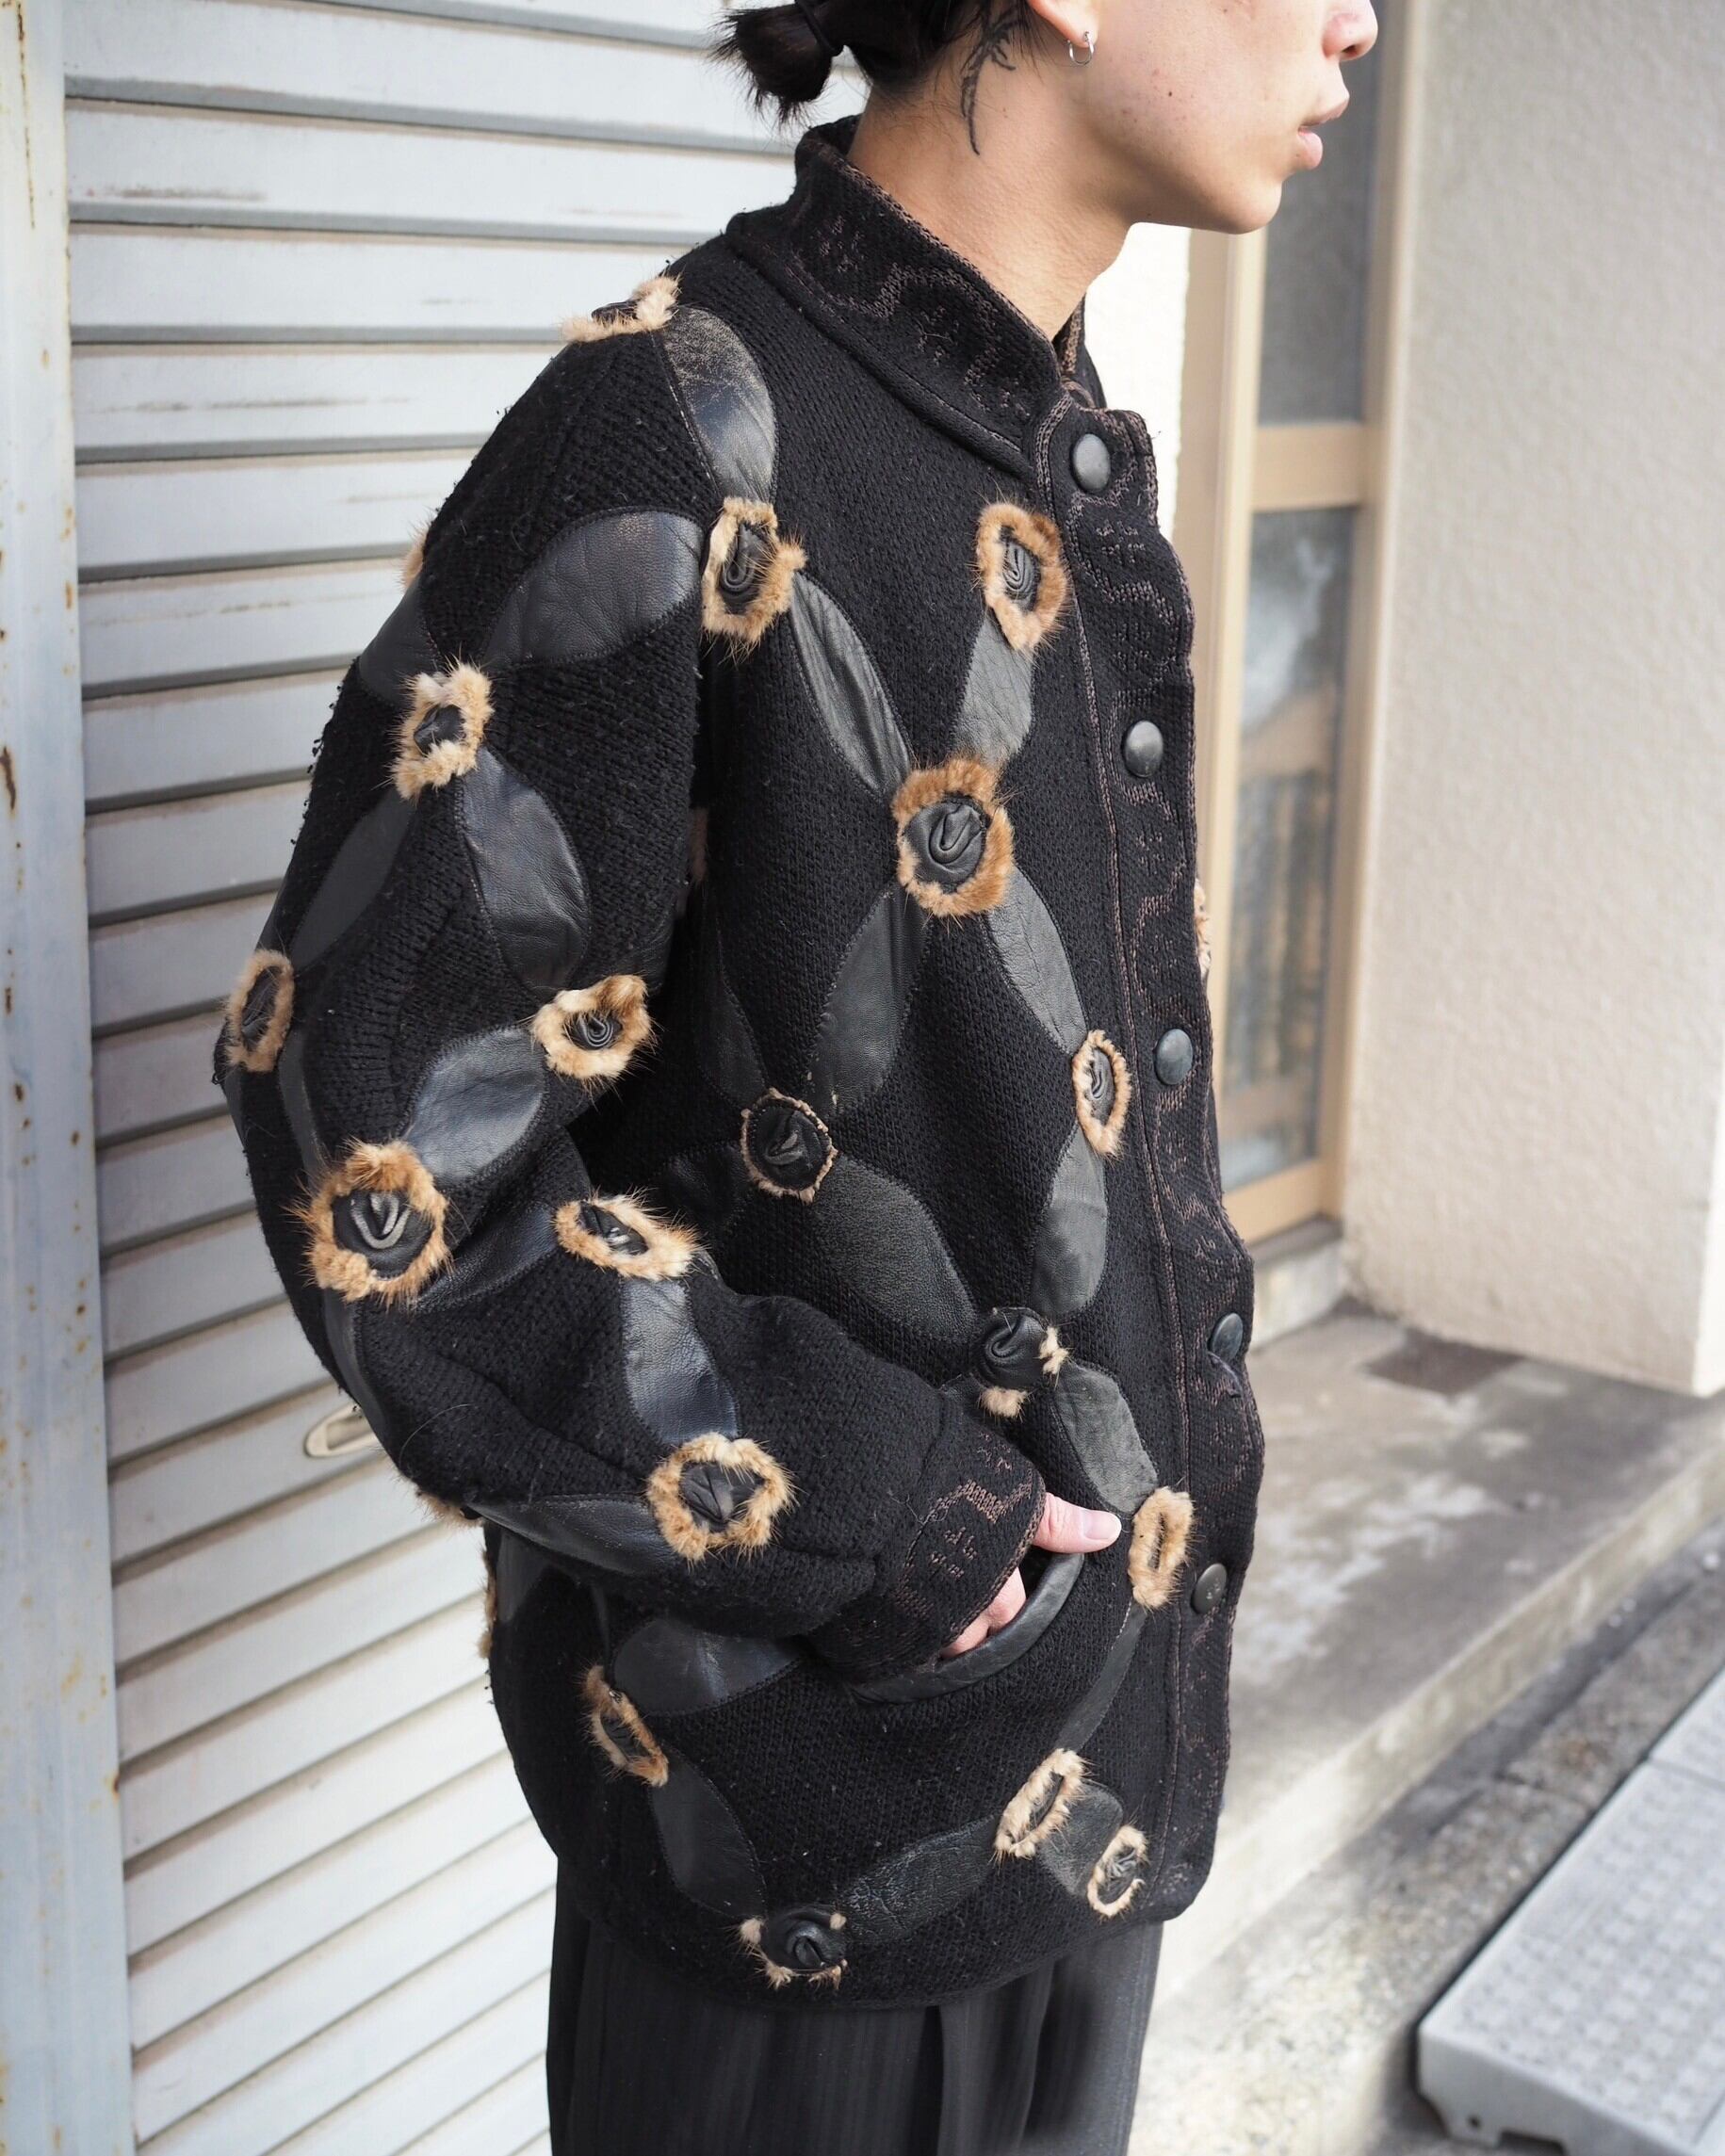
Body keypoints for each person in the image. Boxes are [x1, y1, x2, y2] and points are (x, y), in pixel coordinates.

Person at [217, 0, 1375, 2148]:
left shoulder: (1030, 422)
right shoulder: (674, 427)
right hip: (803, 1855)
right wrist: (886, 1518)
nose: (1355, 23)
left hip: (1075, 1803)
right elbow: (371, 1145)